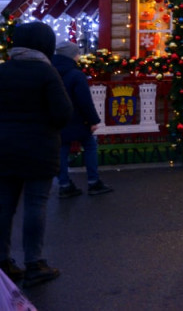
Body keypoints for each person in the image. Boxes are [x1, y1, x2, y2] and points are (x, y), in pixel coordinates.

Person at [0, 22, 72, 288]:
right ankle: (34, 263)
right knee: (35, 205)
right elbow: (63, 112)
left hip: (4, 148)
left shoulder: (3, 71)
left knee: (4, 205)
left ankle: (3, 261)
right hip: (39, 149)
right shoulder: (46, 73)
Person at [53, 41, 113, 199]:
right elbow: (84, 100)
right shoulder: (76, 74)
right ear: (72, 55)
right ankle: (93, 182)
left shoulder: (50, 72)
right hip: (78, 120)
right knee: (90, 145)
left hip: (59, 119)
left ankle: (64, 184)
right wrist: (93, 120)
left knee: (62, 150)